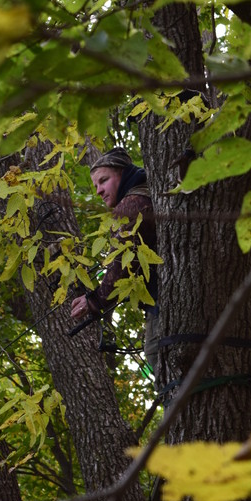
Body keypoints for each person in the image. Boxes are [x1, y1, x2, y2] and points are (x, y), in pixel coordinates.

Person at [70, 147, 160, 379]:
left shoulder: (131, 204)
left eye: (104, 181)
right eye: (95, 185)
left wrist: (96, 301)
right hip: (167, 300)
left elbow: (122, 262)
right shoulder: (144, 196)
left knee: (158, 358)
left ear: (123, 174)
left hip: (165, 304)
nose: (99, 190)